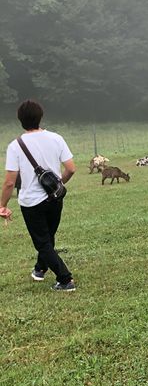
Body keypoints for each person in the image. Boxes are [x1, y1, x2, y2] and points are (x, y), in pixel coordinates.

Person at [0, 99, 77, 292]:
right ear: (40, 117)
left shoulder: (15, 146)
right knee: (48, 237)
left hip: (31, 202)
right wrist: (58, 184)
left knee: (42, 242)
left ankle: (65, 279)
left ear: (20, 120)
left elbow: (10, 182)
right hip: (55, 199)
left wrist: (2, 204)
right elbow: (71, 169)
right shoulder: (56, 138)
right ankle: (40, 269)